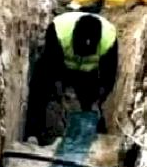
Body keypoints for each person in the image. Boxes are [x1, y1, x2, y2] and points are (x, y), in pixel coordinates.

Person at [23, 9, 118, 142]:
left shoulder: (109, 41)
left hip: (88, 73)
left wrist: (99, 99)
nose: (83, 54)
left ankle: (97, 136)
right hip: (60, 64)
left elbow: (108, 78)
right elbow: (50, 69)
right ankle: (33, 133)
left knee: (91, 104)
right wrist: (58, 89)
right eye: (80, 50)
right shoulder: (59, 32)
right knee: (40, 88)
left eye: (88, 52)